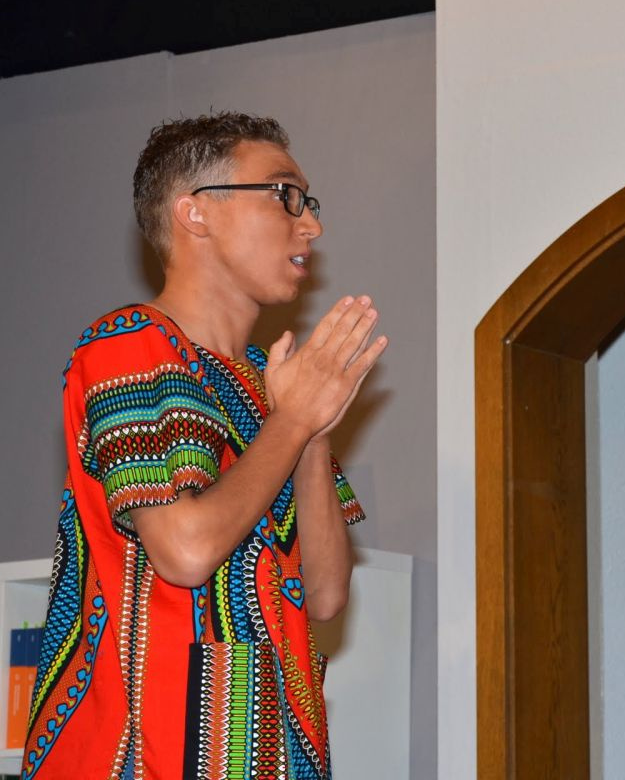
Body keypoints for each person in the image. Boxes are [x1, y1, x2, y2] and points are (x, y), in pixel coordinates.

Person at [21, 112, 388, 779]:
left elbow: (326, 594)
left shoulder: (271, 383)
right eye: (285, 195)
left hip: (271, 750)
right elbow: (185, 549)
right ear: (196, 213)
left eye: (308, 203)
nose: (310, 225)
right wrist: (292, 421)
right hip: (146, 754)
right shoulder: (128, 346)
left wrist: (309, 432)